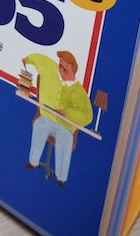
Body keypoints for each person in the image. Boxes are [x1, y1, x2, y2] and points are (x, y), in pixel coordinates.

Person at [22, 51, 93, 187]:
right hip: (47, 118)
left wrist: (67, 113)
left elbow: (88, 115)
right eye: (60, 65)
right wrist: (28, 59)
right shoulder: (51, 71)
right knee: (39, 124)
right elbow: (41, 59)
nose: (61, 69)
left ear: (73, 69)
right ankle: (33, 161)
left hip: (65, 127)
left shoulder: (79, 91)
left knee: (64, 140)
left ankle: (61, 177)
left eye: (65, 67)